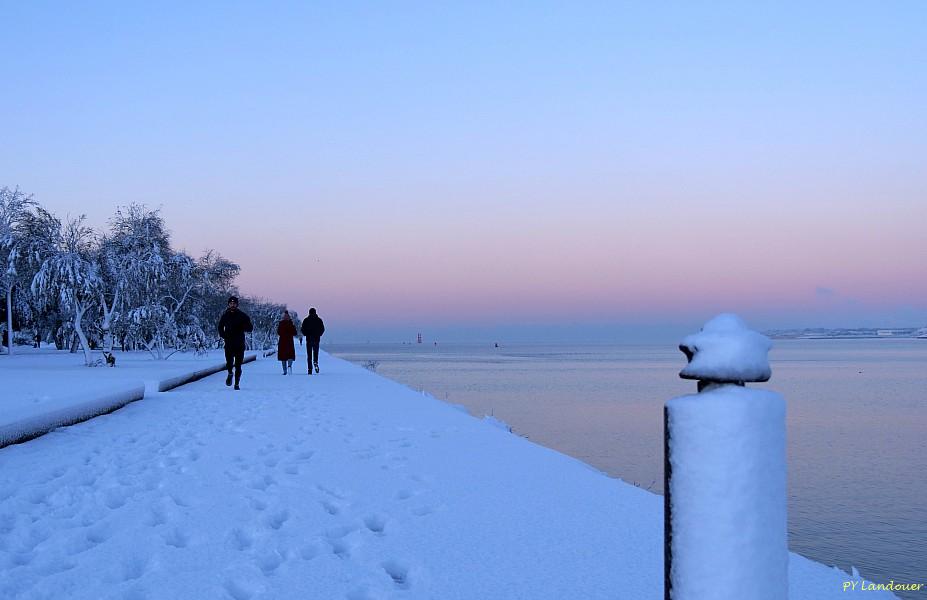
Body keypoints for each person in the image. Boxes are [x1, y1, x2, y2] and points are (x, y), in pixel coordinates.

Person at [217, 296, 253, 390]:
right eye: (231, 303)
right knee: (229, 363)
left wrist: (244, 326)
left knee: (238, 365)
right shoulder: (225, 315)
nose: (232, 305)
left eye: (234, 303)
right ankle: (230, 373)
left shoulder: (242, 316)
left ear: (237, 305)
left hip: (239, 343)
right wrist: (223, 335)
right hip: (229, 343)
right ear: (228, 304)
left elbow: (250, 328)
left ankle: (237, 384)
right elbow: (220, 327)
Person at [300, 307, 325, 375]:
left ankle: (309, 369)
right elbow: (322, 329)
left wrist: (306, 334)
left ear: (309, 312)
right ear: (315, 312)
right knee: (316, 353)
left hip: (309, 339)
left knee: (309, 355)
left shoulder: (306, 320)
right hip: (316, 339)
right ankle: (315, 362)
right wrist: (319, 334)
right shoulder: (319, 320)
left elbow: (302, 329)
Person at [276, 310, 297, 374]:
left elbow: (278, 332)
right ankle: (289, 366)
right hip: (289, 341)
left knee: (283, 356)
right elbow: (295, 333)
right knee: (290, 355)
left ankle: (284, 370)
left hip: (282, 341)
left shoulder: (281, 323)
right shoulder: (291, 324)